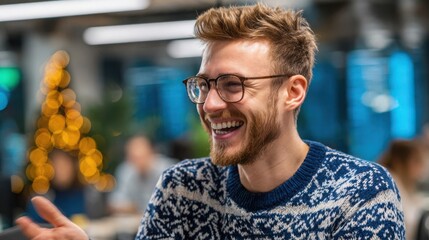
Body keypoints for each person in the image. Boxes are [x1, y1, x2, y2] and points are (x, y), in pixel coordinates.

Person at [16, 3, 405, 239]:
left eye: (233, 85)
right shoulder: (183, 190)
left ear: (293, 92)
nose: (211, 104)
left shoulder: (360, 194)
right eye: (204, 85)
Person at [108, 135, 176, 214]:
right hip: (135, 223)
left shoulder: (168, 170)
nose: (136, 162)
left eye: (140, 156)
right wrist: (130, 207)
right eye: (132, 157)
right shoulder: (126, 170)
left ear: (151, 153)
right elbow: (115, 202)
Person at [378, 139, 427, 240]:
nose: (421, 167)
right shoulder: (389, 183)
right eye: (416, 161)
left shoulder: (400, 179)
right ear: (401, 161)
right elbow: (409, 219)